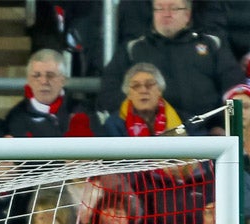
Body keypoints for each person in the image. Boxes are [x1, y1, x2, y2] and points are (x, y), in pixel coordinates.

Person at [98, 1, 242, 132]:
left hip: (204, 132)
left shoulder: (212, 45)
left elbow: (235, 89)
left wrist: (221, 125)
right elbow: (109, 92)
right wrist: (141, 117)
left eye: (173, 8)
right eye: (159, 8)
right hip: (143, 134)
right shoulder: (133, 49)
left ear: (187, 14)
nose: (166, 14)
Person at [4, 49, 98, 137]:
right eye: (37, 76)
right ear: (29, 80)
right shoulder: (16, 117)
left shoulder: (85, 111)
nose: (44, 81)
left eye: (50, 75)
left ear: (63, 80)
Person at [102, 62, 190, 137]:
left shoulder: (184, 121)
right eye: (136, 86)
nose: (143, 90)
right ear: (128, 94)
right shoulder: (114, 124)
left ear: (160, 90)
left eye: (149, 84)